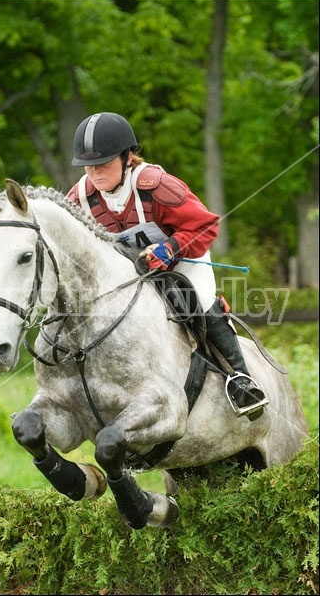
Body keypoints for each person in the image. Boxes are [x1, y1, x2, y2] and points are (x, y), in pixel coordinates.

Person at [66, 111, 268, 421]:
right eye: (88, 165)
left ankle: (240, 379)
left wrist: (169, 248)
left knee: (198, 300)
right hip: (127, 272)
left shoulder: (155, 185)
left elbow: (206, 226)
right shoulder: (80, 197)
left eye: (103, 162)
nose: (94, 172)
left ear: (127, 156)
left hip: (182, 260)